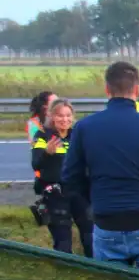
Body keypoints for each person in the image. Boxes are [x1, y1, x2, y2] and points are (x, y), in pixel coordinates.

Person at [61, 61, 139, 274]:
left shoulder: (84, 127)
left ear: (107, 89)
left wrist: (95, 199)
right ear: (136, 90)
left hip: (106, 220)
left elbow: (70, 176)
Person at [31, 99, 93, 257]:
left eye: (68, 115)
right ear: (51, 116)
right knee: (63, 241)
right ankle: (65, 275)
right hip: (56, 195)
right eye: (59, 116)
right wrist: (47, 153)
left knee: (90, 236)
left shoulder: (78, 135)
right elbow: (36, 164)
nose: (64, 119)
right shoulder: (43, 136)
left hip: (80, 193)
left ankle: (95, 273)